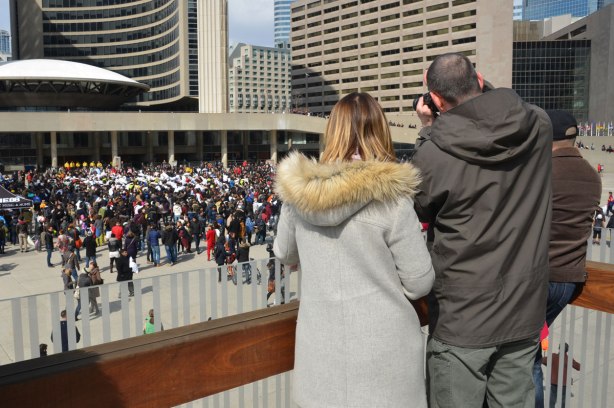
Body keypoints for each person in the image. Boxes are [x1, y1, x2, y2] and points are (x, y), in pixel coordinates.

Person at [274, 92, 435, 408]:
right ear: (380, 132)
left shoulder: (299, 194)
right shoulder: (392, 198)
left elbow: (284, 252)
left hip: (320, 354)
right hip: (385, 354)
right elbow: (419, 282)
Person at [412, 52, 552, 408]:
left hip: (463, 319)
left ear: (436, 99)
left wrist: (428, 128)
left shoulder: (434, 152)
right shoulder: (538, 125)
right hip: (522, 311)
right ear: (480, 79)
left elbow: (419, 204)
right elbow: (494, 114)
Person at [532, 110, 601, 407]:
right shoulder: (591, 175)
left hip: (536, 279)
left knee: (522, 359)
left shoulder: (540, 171)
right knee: (529, 351)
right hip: (569, 281)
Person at [542, 343, 580, 408]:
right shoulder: (568, 359)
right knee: (563, 401)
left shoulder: (553, 356)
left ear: (559, 348)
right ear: (567, 350)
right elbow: (578, 367)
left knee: (552, 400)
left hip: (554, 382)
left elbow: (543, 360)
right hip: (564, 384)